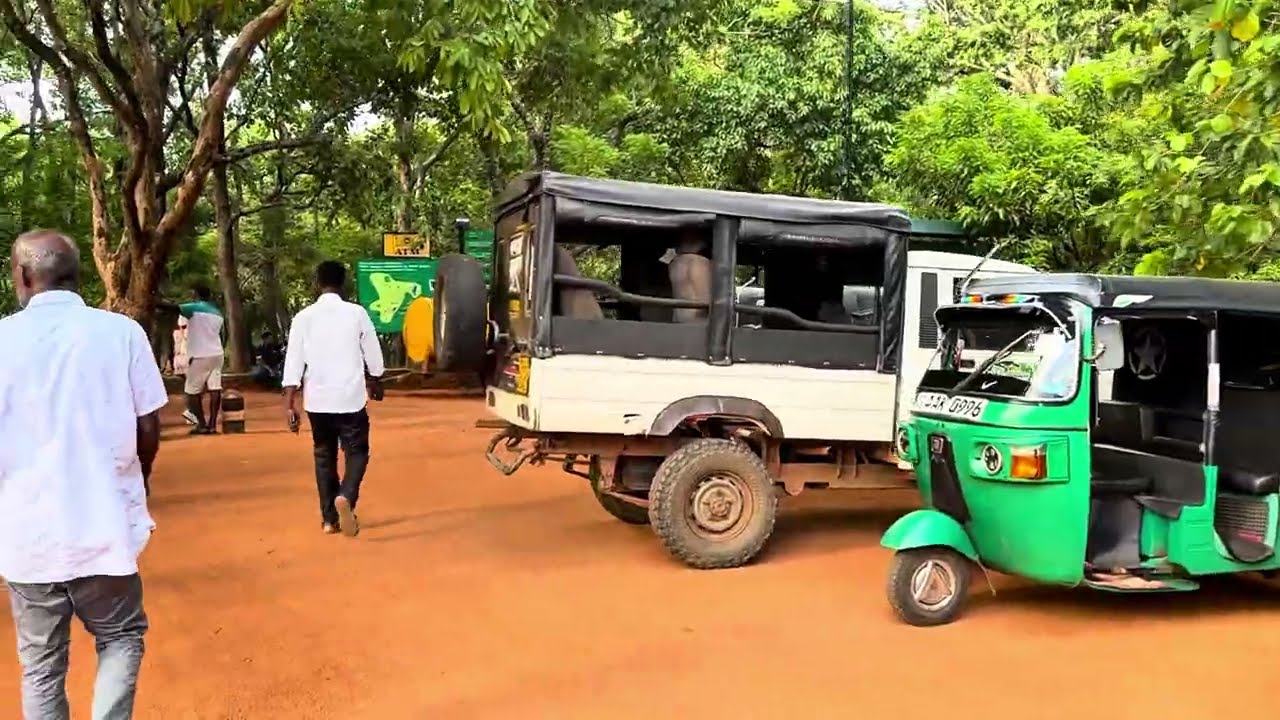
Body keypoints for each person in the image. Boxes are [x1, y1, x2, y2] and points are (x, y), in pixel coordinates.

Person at [0, 229, 166, 719]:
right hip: (104, 527)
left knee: (41, 666)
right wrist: (141, 480)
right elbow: (149, 425)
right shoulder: (122, 332)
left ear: (25, 277)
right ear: (77, 275)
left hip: (28, 536)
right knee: (120, 637)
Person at [282, 261, 386, 537]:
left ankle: (329, 519)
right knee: (357, 451)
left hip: (317, 400)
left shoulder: (303, 318)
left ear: (317, 283)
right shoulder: (356, 314)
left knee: (323, 455)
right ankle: (347, 496)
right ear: (344, 284)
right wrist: (376, 378)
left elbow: (293, 360)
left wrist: (290, 402)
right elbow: (372, 352)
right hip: (350, 398)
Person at [160, 286, 223, 434]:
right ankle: (212, 425)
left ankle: (202, 424)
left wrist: (154, 301)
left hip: (200, 355)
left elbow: (174, 308)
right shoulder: (218, 313)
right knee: (215, 388)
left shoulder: (194, 308)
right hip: (217, 354)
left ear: (196, 295)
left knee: (191, 393)